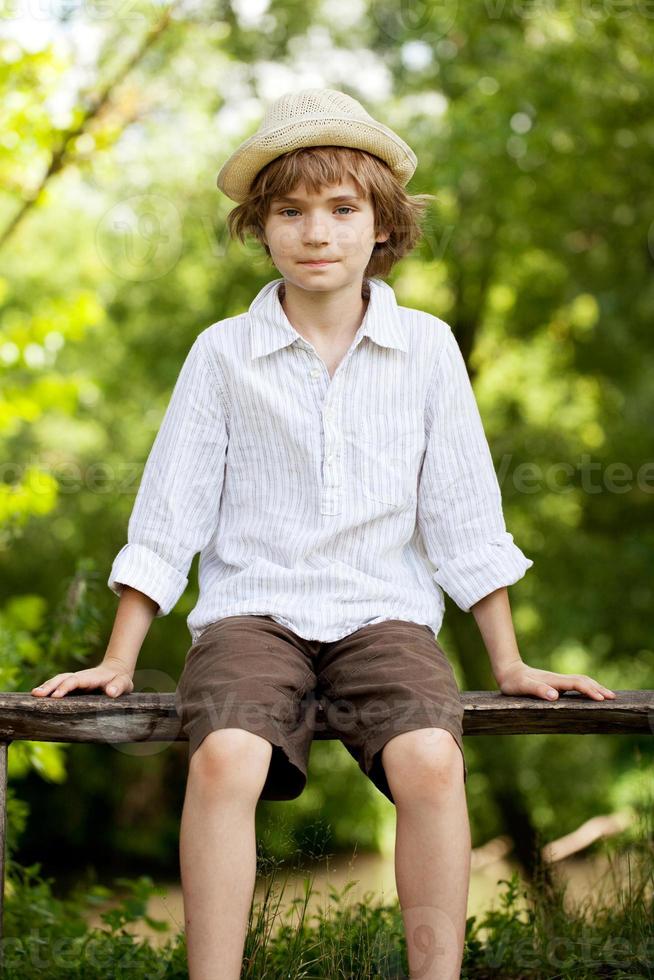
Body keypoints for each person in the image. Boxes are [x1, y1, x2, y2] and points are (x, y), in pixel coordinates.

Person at [31, 88, 616, 980]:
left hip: (384, 615)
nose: (317, 232)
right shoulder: (221, 354)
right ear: (258, 229)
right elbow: (168, 514)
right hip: (250, 615)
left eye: (343, 210)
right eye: (291, 212)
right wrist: (120, 657)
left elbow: (463, 517)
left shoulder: (427, 349)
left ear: (381, 226)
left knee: (430, 759)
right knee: (225, 756)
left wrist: (509, 663)